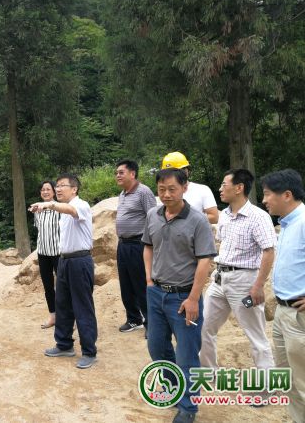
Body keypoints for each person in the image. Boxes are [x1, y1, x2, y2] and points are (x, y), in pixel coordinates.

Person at [142, 168, 217, 423]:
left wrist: (194, 298)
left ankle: (188, 407)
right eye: (161, 189)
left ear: (184, 187)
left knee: (187, 354)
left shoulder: (198, 220)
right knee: (156, 347)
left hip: (184, 297)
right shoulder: (153, 215)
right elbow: (148, 247)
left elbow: (205, 261)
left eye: (172, 189)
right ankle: (175, 389)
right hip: (156, 294)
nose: (166, 194)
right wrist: (149, 280)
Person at [200, 169, 276, 382]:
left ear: (239, 188)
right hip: (219, 279)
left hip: (244, 282)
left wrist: (258, 286)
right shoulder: (224, 215)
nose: (220, 189)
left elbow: (269, 251)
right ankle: (208, 373)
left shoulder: (258, 217)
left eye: (224, 185)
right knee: (204, 327)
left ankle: (266, 386)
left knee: (255, 335)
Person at [29, 173, 98, 369]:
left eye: (62, 186)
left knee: (82, 306)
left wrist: (48, 204)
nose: (58, 189)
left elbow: (71, 210)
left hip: (80, 261)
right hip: (64, 260)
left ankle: (89, 351)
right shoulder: (62, 211)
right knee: (63, 304)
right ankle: (64, 344)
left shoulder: (81, 205)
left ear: (74, 189)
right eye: (57, 186)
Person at [261, 169, 305, 422]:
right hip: (283, 312)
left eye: (268, 194)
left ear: (286, 195)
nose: (264, 200)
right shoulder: (288, 224)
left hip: (299, 315)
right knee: (289, 380)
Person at [114, 159, 156, 335]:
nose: (117, 175)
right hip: (123, 244)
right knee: (126, 285)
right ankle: (134, 319)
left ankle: (151, 324)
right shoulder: (122, 194)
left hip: (138, 244)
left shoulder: (144, 192)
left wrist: (150, 244)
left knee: (140, 285)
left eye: (121, 172)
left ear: (132, 174)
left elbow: (154, 217)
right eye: (116, 173)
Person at [161, 151, 219, 224]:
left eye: (174, 173)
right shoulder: (163, 193)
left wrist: (185, 220)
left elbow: (214, 217)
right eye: (167, 173)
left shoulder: (202, 190)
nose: (170, 176)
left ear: (186, 171)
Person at [34, 180, 60, 329]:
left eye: (48, 189)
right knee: (48, 286)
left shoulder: (60, 209)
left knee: (63, 286)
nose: (45, 192)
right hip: (43, 253)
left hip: (58, 252)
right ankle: (53, 316)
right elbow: (39, 230)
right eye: (43, 190)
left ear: (54, 192)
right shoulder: (37, 210)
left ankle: (70, 317)